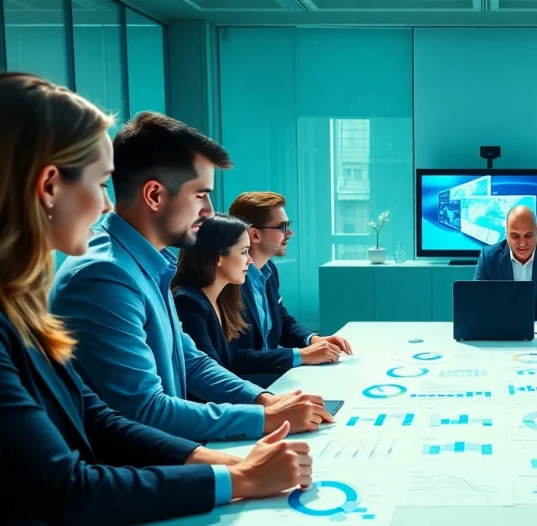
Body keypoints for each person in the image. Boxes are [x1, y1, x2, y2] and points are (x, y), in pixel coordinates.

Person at [0, 72, 312, 526]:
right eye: (97, 183)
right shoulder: (96, 278)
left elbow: (98, 414)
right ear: (49, 186)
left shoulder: (17, 300)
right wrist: (236, 479)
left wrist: (226, 460)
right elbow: (69, 485)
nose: (105, 203)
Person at [50, 113, 332, 443]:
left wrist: (265, 400)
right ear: (154, 195)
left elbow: (191, 360)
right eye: (200, 195)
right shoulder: (104, 276)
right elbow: (144, 410)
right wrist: (265, 418)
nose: (210, 211)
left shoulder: (145, 261)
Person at [228, 191, 351, 385]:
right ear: (254, 234)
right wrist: (300, 355)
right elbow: (231, 357)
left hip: (274, 377)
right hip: (248, 387)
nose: (290, 233)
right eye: (282, 227)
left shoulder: (268, 269)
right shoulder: (229, 282)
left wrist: (313, 340)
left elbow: (282, 320)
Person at [172, 215, 306, 379]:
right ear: (219, 257)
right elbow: (209, 377)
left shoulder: (224, 297)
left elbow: (232, 358)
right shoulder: (187, 303)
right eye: (244, 252)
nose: (250, 261)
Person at [473, 205, 537, 325]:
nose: (522, 243)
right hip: (500, 329)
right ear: (506, 233)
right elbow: (477, 300)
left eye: (528, 235)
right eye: (515, 236)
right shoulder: (488, 257)